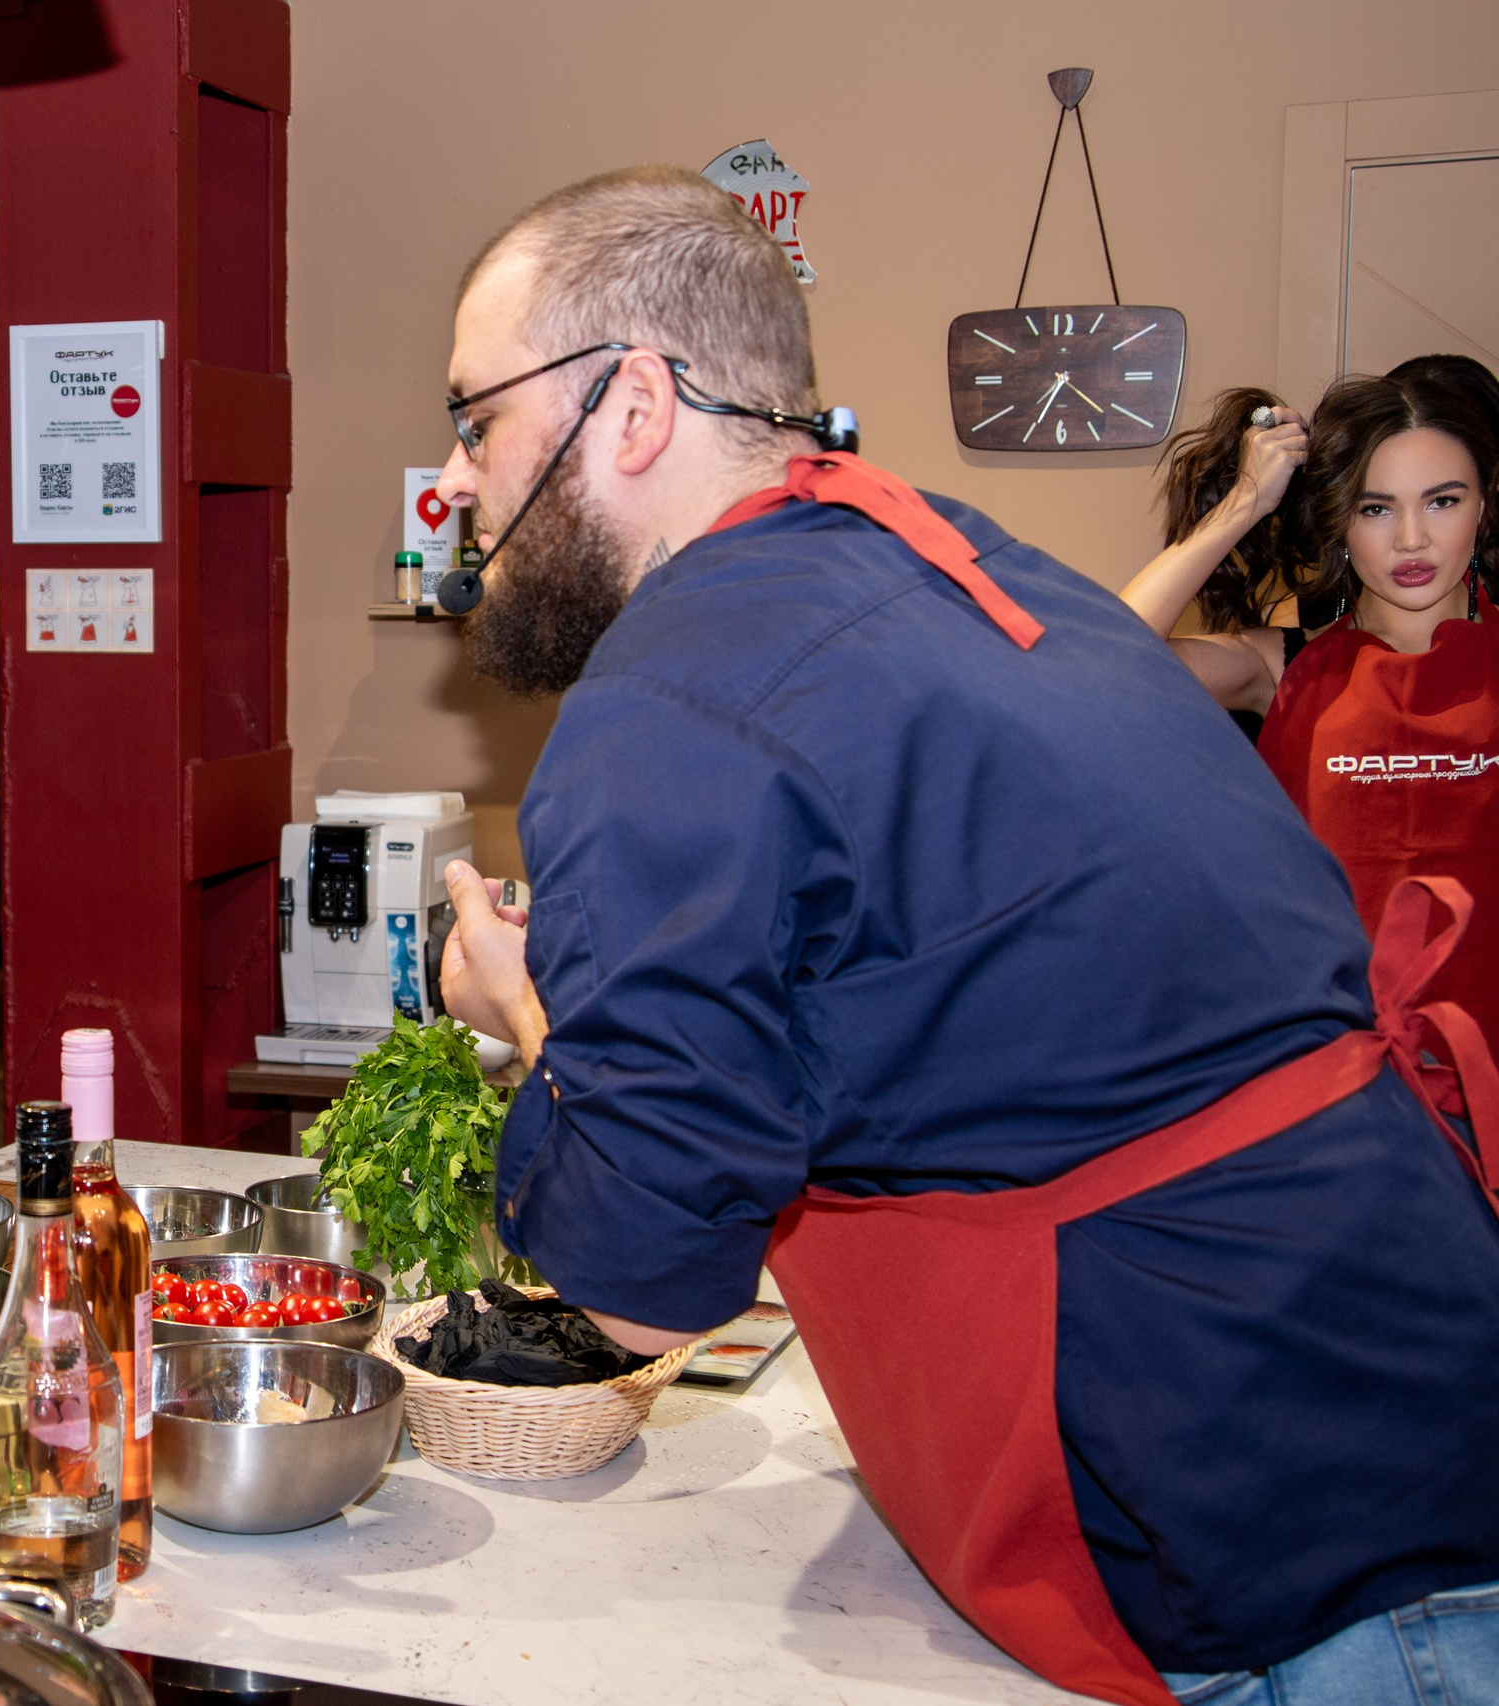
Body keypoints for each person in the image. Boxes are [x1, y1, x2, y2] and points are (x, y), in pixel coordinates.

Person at [428, 167, 1499, 1705]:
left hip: (1280, 1537)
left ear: (635, 402)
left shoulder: (665, 694)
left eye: (478, 421)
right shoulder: (957, 556)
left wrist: (530, 1011)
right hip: (1425, 1373)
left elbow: (646, 1286)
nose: (460, 479)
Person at [1124, 364, 1499, 1042]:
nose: (1411, 539)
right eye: (1375, 508)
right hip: (1331, 1068)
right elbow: (1103, 656)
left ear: (1485, 506)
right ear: (1338, 520)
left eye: (1442, 501)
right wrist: (1244, 501)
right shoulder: (1281, 664)